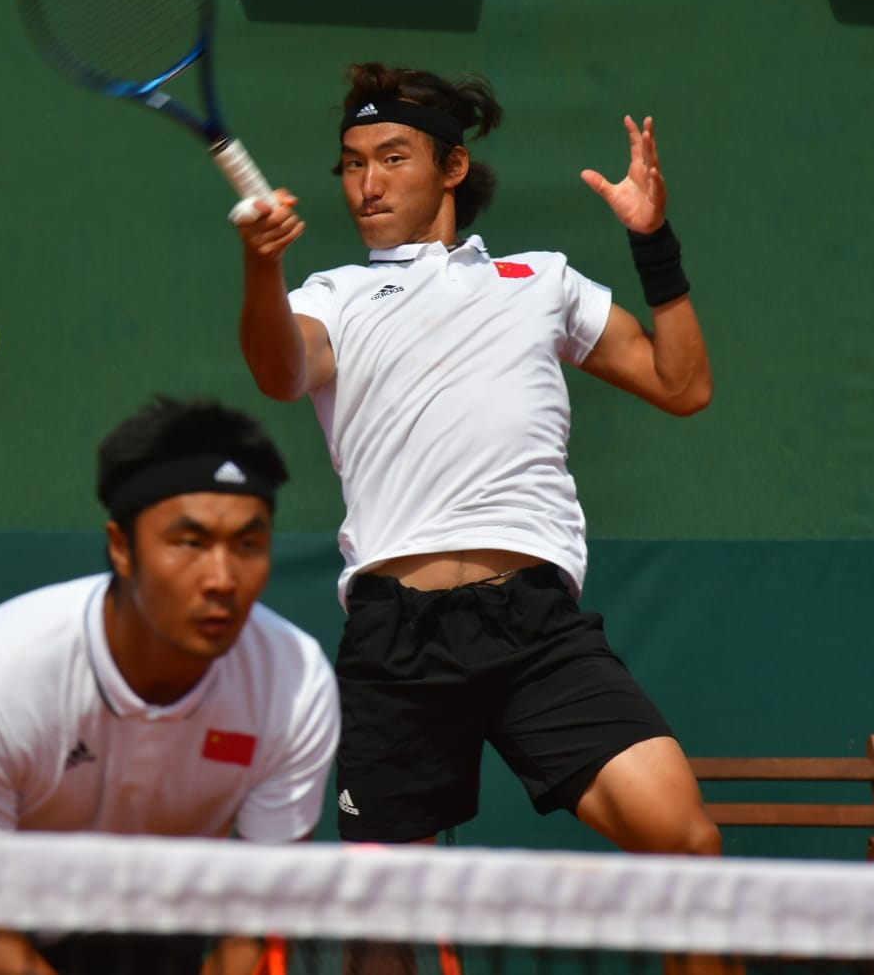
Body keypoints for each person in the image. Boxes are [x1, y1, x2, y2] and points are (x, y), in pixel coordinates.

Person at [233, 63, 721, 967]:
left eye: (391, 158)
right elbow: (278, 369)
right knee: (383, 929)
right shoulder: (329, 296)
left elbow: (681, 384)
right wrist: (263, 267)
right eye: (350, 164)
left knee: (687, 846)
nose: (366, 185)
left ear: (451, 169)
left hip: (535, 628)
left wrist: (653, 243)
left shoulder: (540, 278)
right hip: (394, 638)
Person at [0, 396, 341, 975]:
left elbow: (259, 919)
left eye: (247, 545)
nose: (221, 579)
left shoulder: (294, 684)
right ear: (121, 547)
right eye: (189, 543)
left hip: (136, 928)